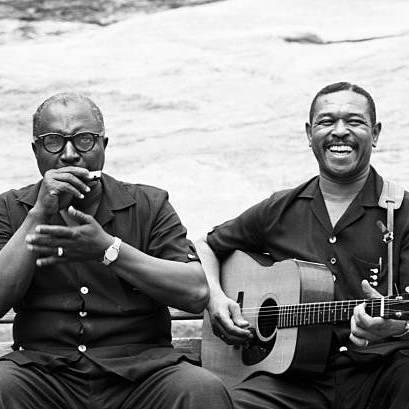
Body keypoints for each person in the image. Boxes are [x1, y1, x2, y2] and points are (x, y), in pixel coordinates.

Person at [0, 93, 233, 409]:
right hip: (40, 373)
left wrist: (108, 249)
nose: (69, 154)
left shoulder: (150, 205)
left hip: (144, 375)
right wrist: (38, 213)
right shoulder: (11, 209)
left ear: (103, 146)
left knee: (201, 389)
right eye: (54, 141)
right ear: (36, 151)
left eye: (84, 140)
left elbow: (194, 292)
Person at [196, 82, 409, 409]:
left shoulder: (403, 213)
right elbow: (204, 245)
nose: (340, 131)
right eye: (326, 122)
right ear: (310, 134)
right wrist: (216, 299)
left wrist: (396, 323)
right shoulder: (279, 209)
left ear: (376, 133)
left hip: (381, 374)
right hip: (292, 382)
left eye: (354, 121)